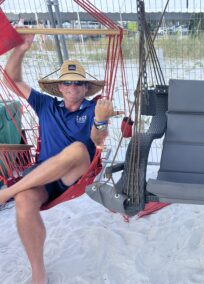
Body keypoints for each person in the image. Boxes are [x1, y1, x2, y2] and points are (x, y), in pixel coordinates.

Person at [0, 33, 113, 284]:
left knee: (76, 149)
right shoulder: (45, 105)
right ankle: (38, 274)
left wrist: (102, 120)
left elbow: (98, 140)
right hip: (43, 176)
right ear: (59, 87)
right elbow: (11, 79)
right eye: (68, 83)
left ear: (85, 87)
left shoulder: (94, 107)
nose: (73, 87)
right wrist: (21, 47)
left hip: (76, 174)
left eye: (78, 83)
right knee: (24, 200)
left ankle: (5, 193)